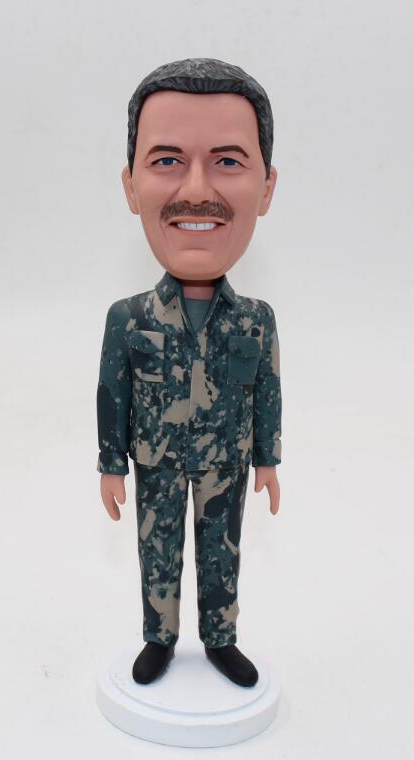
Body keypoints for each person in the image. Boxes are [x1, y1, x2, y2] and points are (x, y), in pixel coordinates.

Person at [97, 58, 282, 687]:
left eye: (228, 160)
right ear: (131, 186)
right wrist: (111, 465)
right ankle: (160, 637)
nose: (196, 187)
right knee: (157, 551)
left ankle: (221, 638)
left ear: (266, 188)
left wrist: (268, 461)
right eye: (168, 159)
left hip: (226, 461)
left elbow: (268, 393)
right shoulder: (128, 318)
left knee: (223, 553)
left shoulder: (255, 320)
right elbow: (112, 396)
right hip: (156, 460)